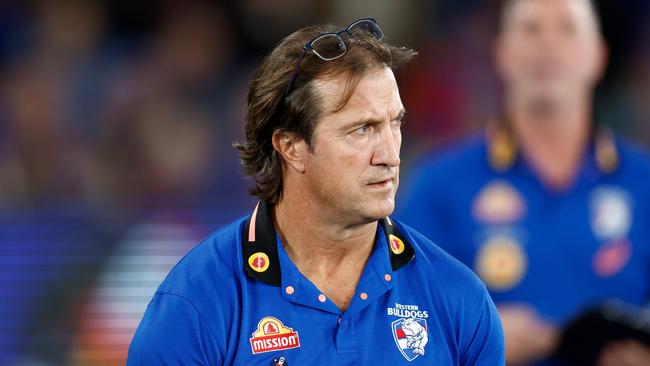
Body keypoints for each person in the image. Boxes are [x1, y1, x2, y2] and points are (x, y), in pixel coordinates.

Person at [126, 18, 505, 365]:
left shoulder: (459, 299)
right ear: (291, 146)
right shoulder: (196, 305)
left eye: (395, 124)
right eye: (362, 129)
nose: (390, 155)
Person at [398, 0, 650, 365]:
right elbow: (396, 323)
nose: (547, 44)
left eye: (567, 28)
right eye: (531, 28)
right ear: (501, 52)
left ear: (599, 54)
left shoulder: (643, 184)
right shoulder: (440, 187)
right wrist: (479, 339)